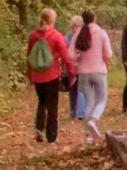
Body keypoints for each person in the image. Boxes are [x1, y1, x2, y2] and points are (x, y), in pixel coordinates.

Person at [26, 8, 76, 144]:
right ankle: (51, 136)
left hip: (37, 76)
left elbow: (29, 56)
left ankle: (39, 129)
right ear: (52, 20)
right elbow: (66, 57)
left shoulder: (33, 36)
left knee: (42, 102)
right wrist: (72, 73)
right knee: (52, 107)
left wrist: (29, 74)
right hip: (52, 76)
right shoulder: (56, 36)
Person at [70, 9, 114, 145]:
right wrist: (103, 58)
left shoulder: (78, 34)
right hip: (99, 71)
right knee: (101, 100)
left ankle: (88, 136)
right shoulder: (101, 33)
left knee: (89, 102)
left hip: (83, 73)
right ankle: (93, 120)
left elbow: (70, 54)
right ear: (94, 19)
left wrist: (79, 59)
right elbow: (109, 54)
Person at [64, 14, 85, 120]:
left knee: (76, 89)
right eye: (75, 26)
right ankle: (76, 111)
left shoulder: (67, 38)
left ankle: (75, 111)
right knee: (76, 89)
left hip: (73, 67)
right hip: (75, 67)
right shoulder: (78, 38)